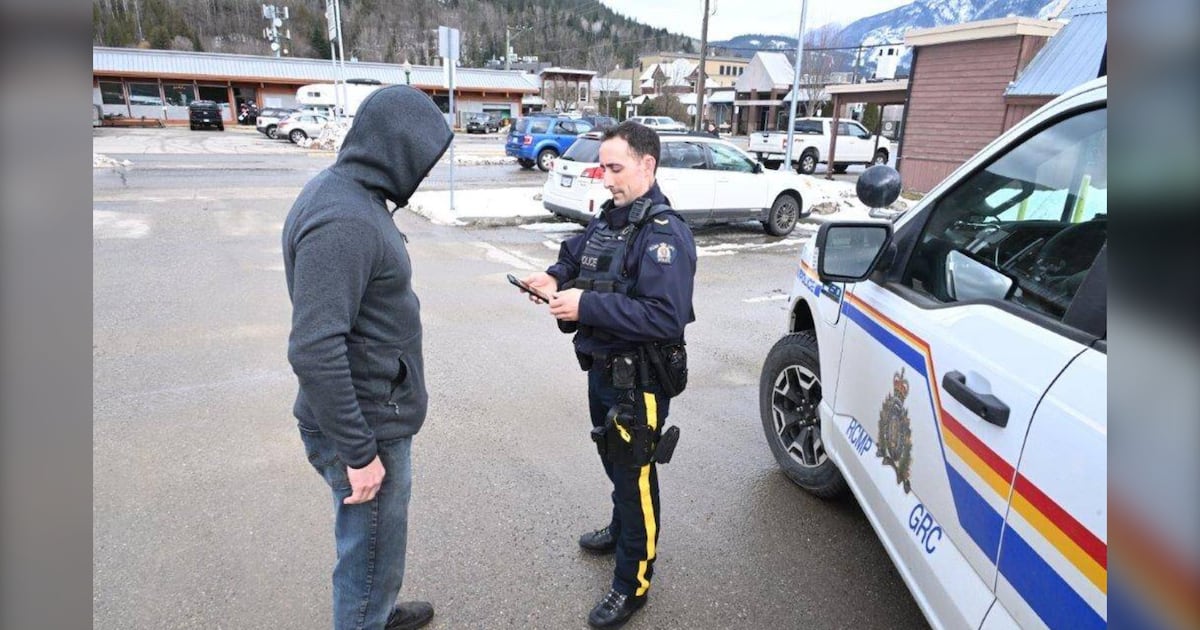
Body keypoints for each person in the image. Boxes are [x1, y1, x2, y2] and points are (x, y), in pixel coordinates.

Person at [282, 85, 452, 630]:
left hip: (372, 410)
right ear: (397, 149)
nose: (423, 172)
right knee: (366, 553)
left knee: (375, 546)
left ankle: (375, 611)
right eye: (422, 158)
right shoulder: (345, 220)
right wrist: (359, 453)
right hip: (365, 426)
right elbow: (313, 347)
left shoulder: (348, 194)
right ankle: (364, 617)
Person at [522, 121, 697, 628]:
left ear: (648, 165)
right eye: (604, 167)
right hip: (602, 371)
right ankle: (622, 529)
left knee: (635, 475)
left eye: (616, 168)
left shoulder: (664, 234)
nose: (606, 179)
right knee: (616, 464)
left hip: (639, 381)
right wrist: (553, 278)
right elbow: (578, 253)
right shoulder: (613, 220)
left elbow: (665, 316)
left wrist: (586, 305)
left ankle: (632, 583)